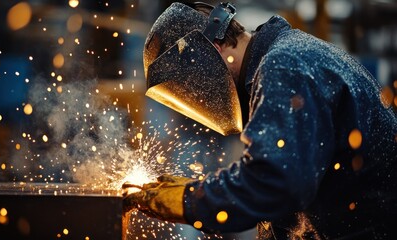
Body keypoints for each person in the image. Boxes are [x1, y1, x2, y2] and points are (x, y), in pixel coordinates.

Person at [123, 2, 397, 239]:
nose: (200, 103)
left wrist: (191, 200)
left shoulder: (284, 67)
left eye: (193, 92)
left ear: (213, 50)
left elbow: (274, 183)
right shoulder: (288, 55)